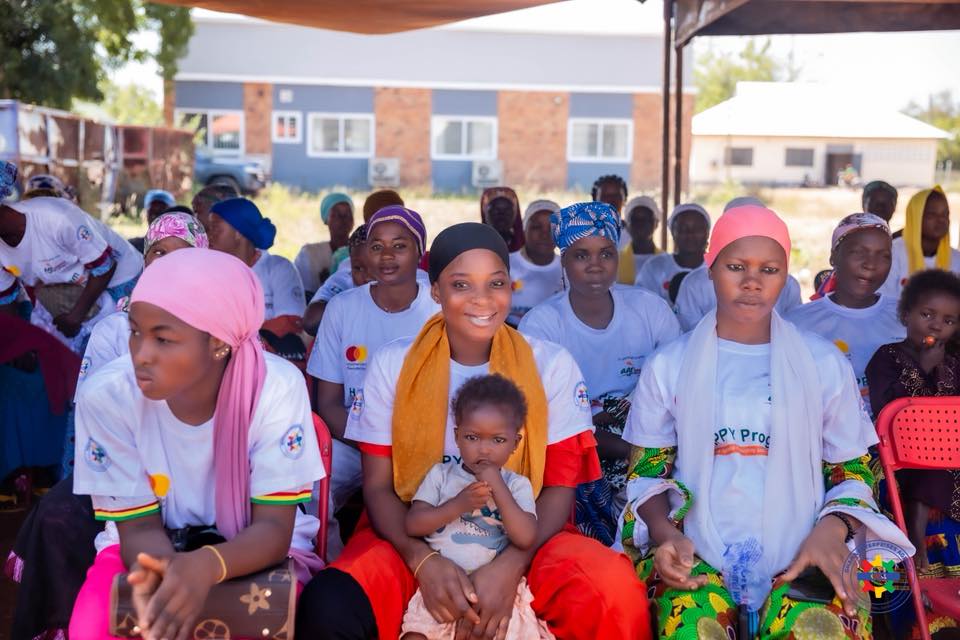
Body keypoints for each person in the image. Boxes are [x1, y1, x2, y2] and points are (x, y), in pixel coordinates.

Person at [296, 222, 650, 640]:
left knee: (614, 592)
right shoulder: (396, 365)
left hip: (526, 533)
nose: (482, 300)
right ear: (435, 290)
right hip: (416, 529)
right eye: (461, 284)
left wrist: (509, 567)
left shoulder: (548, 365)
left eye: (496, 283)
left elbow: (559, 488)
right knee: (331, 603)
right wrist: (423, 562)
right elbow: (378, 488)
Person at [620, 203, 913, 639]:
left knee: (824, 628)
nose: (752, 282)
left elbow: (853, 469)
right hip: (695, 550)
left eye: (770, 269)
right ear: (710, 266)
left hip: (806, 546)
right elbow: (646, 473)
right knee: (692, 627)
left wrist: (831, 531)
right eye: (736, 266)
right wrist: (665, 536)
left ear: (786, 274)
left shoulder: (821, 363)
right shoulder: (669, 365)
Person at [69, 249, 325, 639]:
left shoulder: (275, 387)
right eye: (135, 331)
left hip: (255, 549)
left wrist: (207, 565)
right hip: (146, 550)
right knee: (91, 626)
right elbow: (137, 527)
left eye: (163, 339)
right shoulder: (106, 396)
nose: (141, 355)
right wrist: (173, 576)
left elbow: (273, 529)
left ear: (219, 344)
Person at [519, 202, 680, 545]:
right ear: (563, 261)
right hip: (578, 447)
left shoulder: (650, 310)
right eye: (581, 255)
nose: (595, 265)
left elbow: (678, 391)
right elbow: (542, 417)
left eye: (606, 254)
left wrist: (635, 442)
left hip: (649, 440)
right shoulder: (542, 324)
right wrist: (619, 444)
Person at [307, 206, 439, 560]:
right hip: (355, 440)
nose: (387, 256)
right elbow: (328, 404)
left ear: (419, 252)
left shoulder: (440, 305)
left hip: (429, 441)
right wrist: (375, 443)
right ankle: (328, 568)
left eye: (400, 246)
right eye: (376, 246)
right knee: (308, 490)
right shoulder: (342, 308)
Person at [401, 374, 553, 640]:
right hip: (442, 589)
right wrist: (457, 505)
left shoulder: (517, 485)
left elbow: (526, 536)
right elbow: (413, 524)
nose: (484, 450)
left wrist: (499, 487)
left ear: (515, 444)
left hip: (498, 592)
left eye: (498, 440)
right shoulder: (441, 475)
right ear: (457, 437)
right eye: (472, 437)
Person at [865, 269, 960, 638]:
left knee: (941, 462)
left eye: (949, 320)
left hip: (950, 454)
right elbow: (888, 408)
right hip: (904, 457)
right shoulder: (886, 357)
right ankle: (915, 540)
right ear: (905, 315)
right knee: (929, 466)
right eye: (927, 314)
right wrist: (925, 369)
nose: (936, 324)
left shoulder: (955, 358)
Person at [0, 162, 144, 352]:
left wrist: (75, 317)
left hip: (122, 281)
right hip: (77, 290)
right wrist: (19, 345)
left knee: (125, 350)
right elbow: (7, 302)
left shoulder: (56, 217)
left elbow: (106, 267)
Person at [787, 213, 904, 413]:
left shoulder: (907, 318)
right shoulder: (796, 324)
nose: (871, 264)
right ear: (833, 256)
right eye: (859, 252)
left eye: (883, 255)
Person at [303, 190, 413, 332]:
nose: (367, 275)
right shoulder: (346, 274)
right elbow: (311, 320)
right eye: (359, 268)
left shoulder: (417, 277)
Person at [205, 197, 306, 321]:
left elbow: (290, 323)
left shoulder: (278, 268)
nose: (208, 235)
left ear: (239, 233)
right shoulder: (210, 272)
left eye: (215, 228)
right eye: (208, 229)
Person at [880, 185, 960, 299]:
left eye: (945, 214)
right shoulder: (893, 252)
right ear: (916, 216)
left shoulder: (956, 259)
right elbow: (885, 301)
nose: (941, 220)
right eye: (932, 214)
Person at [635, 203, 710, 303]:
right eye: (683, 229)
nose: (690, 234)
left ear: (707, 233)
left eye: (697, 229)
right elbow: (642, 305)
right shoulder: (654, 267)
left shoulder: (718, 270)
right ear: (672, 233)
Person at [506, 200, 562, 327]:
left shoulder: (569, 269)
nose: (544, 234)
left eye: (552, 228)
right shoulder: (504, 264)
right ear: (525, 229)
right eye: (537, 227)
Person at [296, 192, 355, 301]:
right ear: (326, 219)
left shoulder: (361, 252)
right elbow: (302, 293)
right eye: (336, 214)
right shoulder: (309, 253)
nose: (342, 219)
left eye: (347, 214)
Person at [617, 196, 661, 285]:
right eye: (635, 220)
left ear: (656, 224)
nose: (641, 224)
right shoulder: (615, 261)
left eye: (646, 219)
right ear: (626, 225)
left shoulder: (666, 260)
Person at [591, 174, 630, 250]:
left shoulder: (634, 234)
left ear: (624, 200)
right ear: (595, 201)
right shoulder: (583, 233)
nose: (611, 200)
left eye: (616, 195)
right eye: (605, 196)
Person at [481, 186, 524, 252]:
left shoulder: (528, 246)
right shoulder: (475, 244)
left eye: (507, 210)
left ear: (515, 213)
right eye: (496, 209)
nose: (501, 214)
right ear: (485, 212)